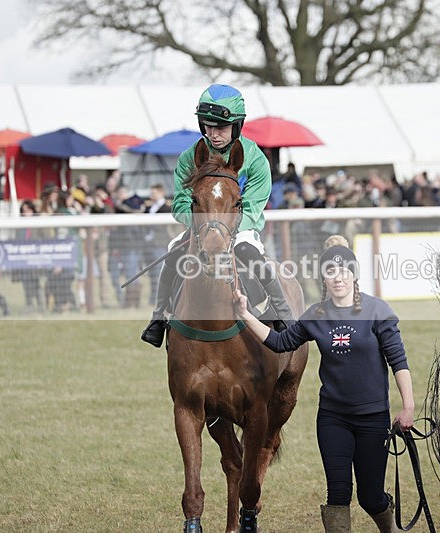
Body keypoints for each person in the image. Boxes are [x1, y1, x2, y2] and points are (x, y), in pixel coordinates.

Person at [232, 237, 415, 533]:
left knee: (370, 496)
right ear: (324, 278)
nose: (338, 277)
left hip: (373, 417)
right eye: (330, 271)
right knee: (338, 493)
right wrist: (245, 314)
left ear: (354, 275)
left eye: (344, 271)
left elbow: (399, 362)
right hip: (333, 418)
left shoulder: (377, 311)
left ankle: (391, 528)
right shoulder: (315, 316)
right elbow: (280, 342)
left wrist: (408, 407)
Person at [141, 83, 293, 348]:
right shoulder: (190, 157)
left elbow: (254, 206)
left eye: (220, 128)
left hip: (240, 227)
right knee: (174, 250)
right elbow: (179, 204)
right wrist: (204, 226)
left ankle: (283, 314)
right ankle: (159, 317)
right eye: (207, 126)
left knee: (251, 254)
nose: (213, 134)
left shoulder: (256, 159)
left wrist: (225, 230)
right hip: (201, 227)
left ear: (237, 126)